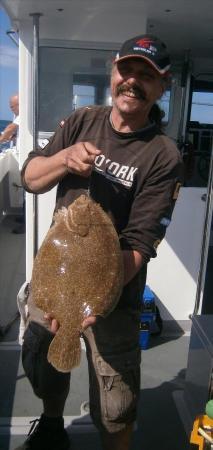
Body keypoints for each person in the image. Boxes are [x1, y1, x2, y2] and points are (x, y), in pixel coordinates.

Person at [17, 34, 184, 450]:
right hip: (54, 283)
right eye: (127, 71)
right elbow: (30, 178)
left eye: (147, 76)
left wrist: (97, 299)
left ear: (162, 86)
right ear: (113, 72)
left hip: (117, 297)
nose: (133, 81)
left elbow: (141, 243)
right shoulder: (81, 120)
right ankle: (52, 426)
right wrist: (63, 157)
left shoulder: (163, 155)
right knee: (44, 365)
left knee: (116, 405)